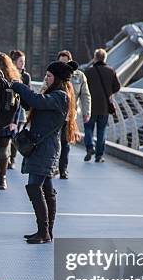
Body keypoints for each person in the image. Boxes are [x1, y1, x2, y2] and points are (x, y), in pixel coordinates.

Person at [11, 60, 78, 244]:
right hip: (43, 147)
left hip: (45, 148)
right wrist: (19, 93)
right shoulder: (55, 95)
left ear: (57, 78)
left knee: (34, 187)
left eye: (49, 76)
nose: (46, 79)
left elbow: (36, 101)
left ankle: (44, 232)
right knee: (47, 190)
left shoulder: (61, 96)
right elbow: (33, 105)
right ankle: (46, 231)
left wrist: (18, 85)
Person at [0, 52, 22, 191]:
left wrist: (15, 121)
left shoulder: (13, 80)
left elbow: (18, 104)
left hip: (7, 121)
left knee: (3, 151)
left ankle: (2, 179)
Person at [56, 50, 91, 179]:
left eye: (66, 63)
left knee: (65, 143)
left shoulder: (79, 76)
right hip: (54, 114)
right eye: (61, 63)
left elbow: (85, 95)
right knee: (53, 142)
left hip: (70, 116)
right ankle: (53, 166)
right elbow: (44, 90)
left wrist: (86, 112)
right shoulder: (52, 74)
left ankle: (63, 169)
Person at [83, 48, 121, 163]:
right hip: (104, 107)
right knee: (101, 131)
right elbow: (117, 87)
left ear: (95, 58)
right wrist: (109, 92)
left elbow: (82, 88)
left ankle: (90, 147)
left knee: (88, 128)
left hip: (90, 106)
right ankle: (99, 156)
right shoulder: (111, 71)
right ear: (105, 58)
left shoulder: (88, 72)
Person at [8, 50, 31, 169]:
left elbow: (29, 92)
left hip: (21, 109)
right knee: (9, 134)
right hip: (10, 107)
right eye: (20, 61)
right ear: (14, 62)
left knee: (16, 135)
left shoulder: (26, 76)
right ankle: (7, 157)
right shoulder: (9, 74)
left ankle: (12, 158)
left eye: (24, 61)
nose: (23, 63)